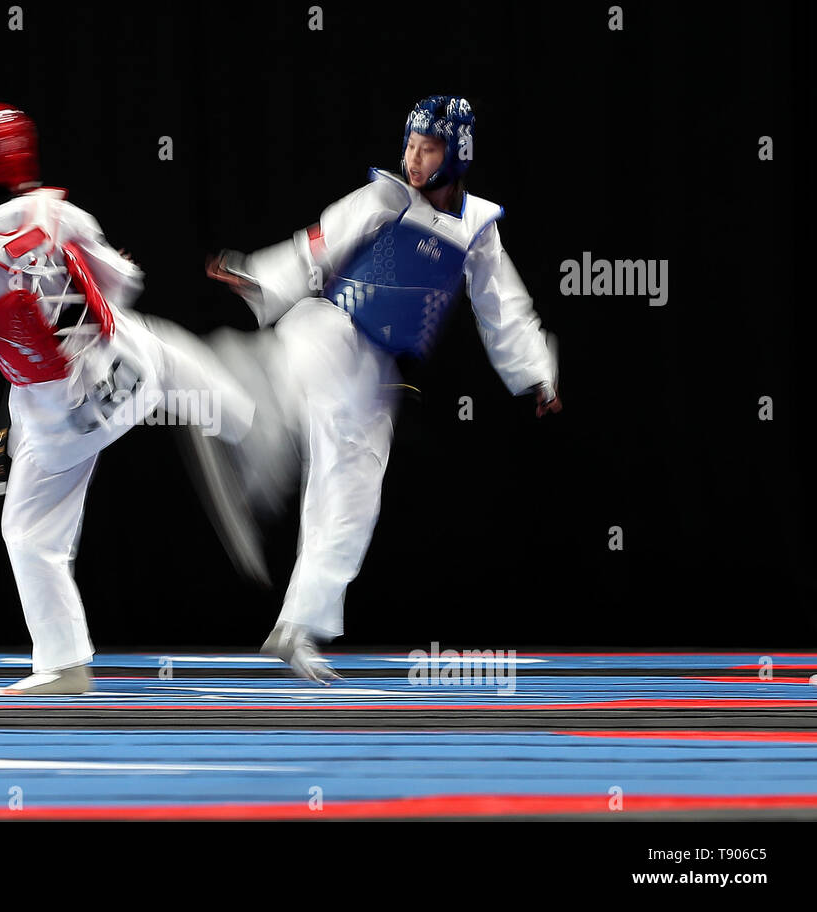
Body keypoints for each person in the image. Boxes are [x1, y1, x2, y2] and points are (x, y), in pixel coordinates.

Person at [206, 95, 562, 684]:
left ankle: (297, 627)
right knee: (292, 379)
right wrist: (260, 276)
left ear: (458, 152)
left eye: (428, 148)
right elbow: (317, 244)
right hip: (331, 328)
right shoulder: (385, 197)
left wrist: (536, 374)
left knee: (352, 499)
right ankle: (246, 440)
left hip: (380, 372)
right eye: (410, 145)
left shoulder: (478, 230)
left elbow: (504, 309)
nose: (414, 159)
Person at [0, 103, 255, 695]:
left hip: (67, 419)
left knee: (30, 535)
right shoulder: (57, 211)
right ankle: (257, 425)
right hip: (134, 369)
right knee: (178, 356)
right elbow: (123, 286)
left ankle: (63, 664)